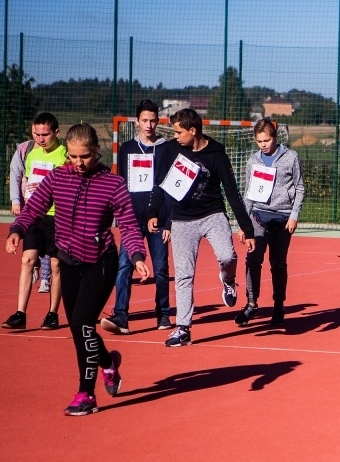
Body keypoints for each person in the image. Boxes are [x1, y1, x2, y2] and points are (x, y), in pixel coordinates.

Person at [5, 123, 151, 416]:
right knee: (78, 326)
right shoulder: (58, 177)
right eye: (72, 157)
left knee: (84, 321)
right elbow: (34, 208)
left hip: (100, 263)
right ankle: (108, 362)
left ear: (96, 151)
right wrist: (18, 229)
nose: (78, 163)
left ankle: (86, 393)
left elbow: (129, 225)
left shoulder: (113, 184)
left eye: (84, 157)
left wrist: (136, 255)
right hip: (69, 261)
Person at [147, 108, 255, 347]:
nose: (175, 136)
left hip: (212, 214)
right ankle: (183, 328)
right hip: (182, 219)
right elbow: (160, 185)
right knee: (184, 275)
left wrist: (247, 229)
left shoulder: (216, 153)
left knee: (228, 256)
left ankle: (228, 281)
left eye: (178, 132)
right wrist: (153, 212)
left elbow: (232, 192)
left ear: (192, 130)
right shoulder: (170, 150)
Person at [100, 99, 172, 334]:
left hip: (158, 220)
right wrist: (119, 213)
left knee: (160, 268)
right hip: (131, 218)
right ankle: (121, 316)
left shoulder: (166, 148)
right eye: (144, 120)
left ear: (158, 120)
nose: (149, 125)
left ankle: (163, 314)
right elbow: (121, 183)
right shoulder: (127, 149)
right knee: (124, 267)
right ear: (137, 121)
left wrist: (168, 220)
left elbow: (170, 187)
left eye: (153, 120)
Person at [234, 119, 305, 327]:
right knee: (253, 260)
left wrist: (294, 215)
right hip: (258, 218)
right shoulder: (253, 160)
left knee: (278, 264)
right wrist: (244, 224)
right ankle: (251, 303)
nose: (263, 145)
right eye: (259, 141)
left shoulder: (291, 157)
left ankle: (278, 306)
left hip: (283, 220)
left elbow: (300, 188)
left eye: (266, 140)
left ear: (275, 137)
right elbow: (248, 194)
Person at [2, 113, 65, 330]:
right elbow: (23, 179)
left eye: (45, 134)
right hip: (35, 214)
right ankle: (20, 313)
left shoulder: (65, 155)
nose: (40, 138)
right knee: (27, 261)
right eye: (36, 134)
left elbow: (70, 188)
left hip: (57, 216)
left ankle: (52, 313)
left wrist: (49, 190)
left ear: (56, 132)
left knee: (56, 264)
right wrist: (20, 200)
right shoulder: (29, 153)